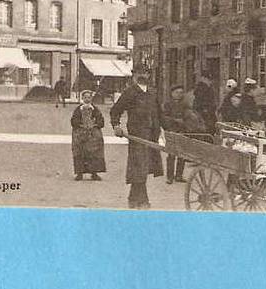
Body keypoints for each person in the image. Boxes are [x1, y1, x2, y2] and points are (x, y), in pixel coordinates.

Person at [109, 72, 164, 209]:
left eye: (145, 72)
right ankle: (143, 200)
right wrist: (116, 126)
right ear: (134, 76)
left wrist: (169, 130)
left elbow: (159, 113)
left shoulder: (152, 92)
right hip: (138, 135)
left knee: (143, 167)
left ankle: (133, 199)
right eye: (139, 73)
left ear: (149, 75)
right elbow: (115, 110)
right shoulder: (130, 92)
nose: (143, 76)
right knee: (140, 166)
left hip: (152, 135)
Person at [70, 89, 106, 181]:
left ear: (91, 98)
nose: (87, 99)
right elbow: (73, 121)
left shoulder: (95, 109)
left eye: (89, 97)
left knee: (94, 152)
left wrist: (95, 124)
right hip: (80, 134)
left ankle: (94, 173)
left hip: (92, 134)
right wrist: (80, 124)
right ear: (82, 98)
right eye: (85, 97)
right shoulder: (78, 109)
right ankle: (79, 173)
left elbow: (101, 121)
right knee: (80, 151)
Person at [161, 84, 188, 184]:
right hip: (171, 130)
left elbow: (189, 116)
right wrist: (174, 121)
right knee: (171, 154)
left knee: (182, 154)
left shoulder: (185, 104)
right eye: (177, 92)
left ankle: (179, 176)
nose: (179, 95)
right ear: (172, 93)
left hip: (182, 131)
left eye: (181, 93)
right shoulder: (167, 104)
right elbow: (164, 117)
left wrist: (185, 123)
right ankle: (170, 177)